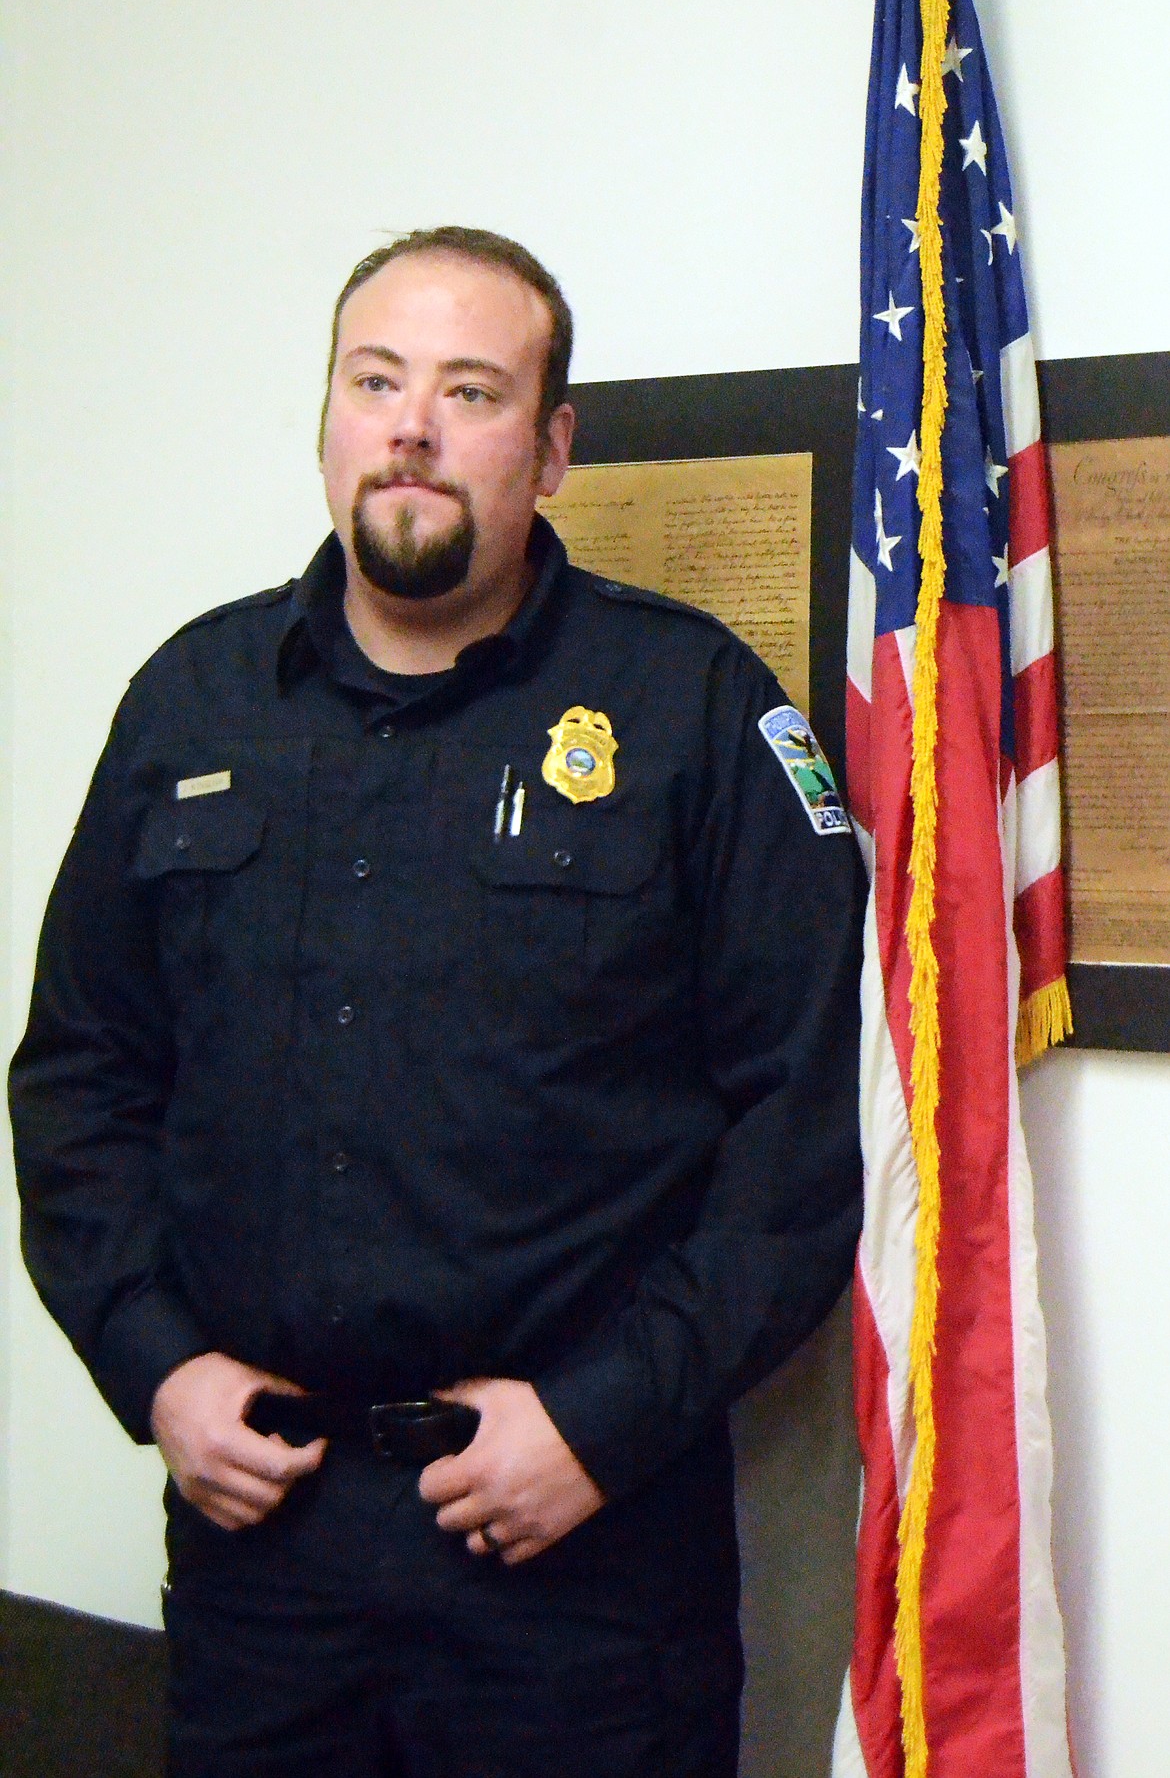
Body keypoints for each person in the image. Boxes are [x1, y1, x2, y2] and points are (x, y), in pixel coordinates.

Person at [9, 226, 866, 1777]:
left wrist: (600, 1423)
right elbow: (79, 1074)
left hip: (578, 1563)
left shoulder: (692, 712)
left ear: (548, 450)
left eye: (469, 391)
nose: (408, 424)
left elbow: (796, 1139)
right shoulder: (190, 705)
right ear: (328, 414)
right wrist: (154, 1363)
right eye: (374, 379)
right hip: (263, 1543)